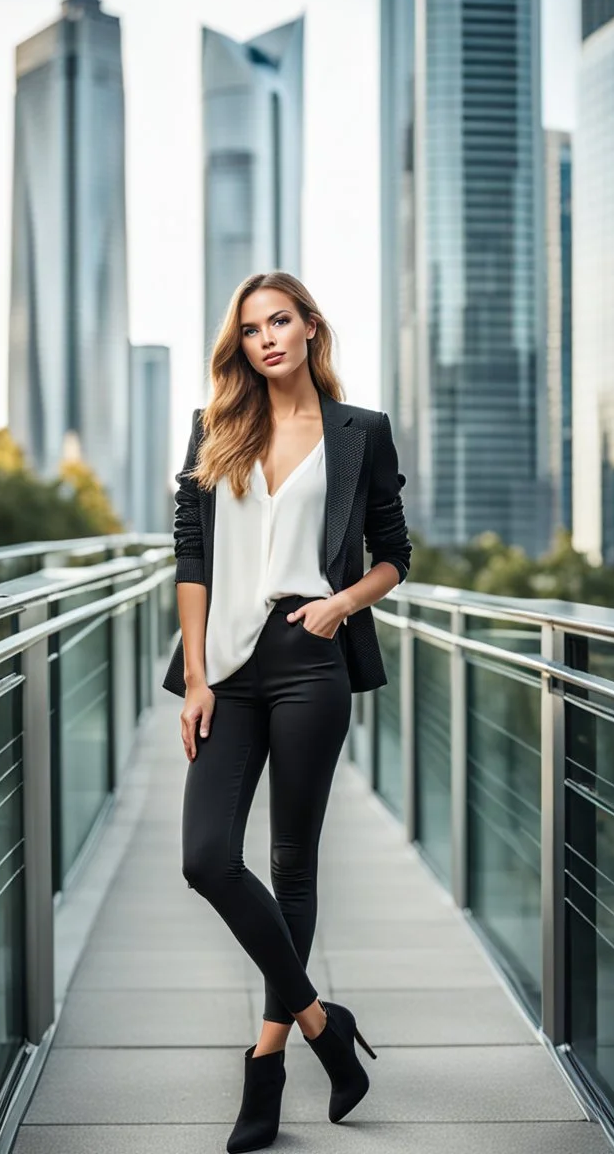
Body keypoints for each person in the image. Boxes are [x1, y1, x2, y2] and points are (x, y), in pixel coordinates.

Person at [161, 270, 412, 1152]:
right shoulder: (214, 428)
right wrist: (195, 677)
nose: (267, 338)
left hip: (312, 658)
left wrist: (343, 605)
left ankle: (263, 1069)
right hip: (227, 670)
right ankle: (322, 1026)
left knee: (290, 862)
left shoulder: (359, 434)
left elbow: (393, 554)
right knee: (206, 859)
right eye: (251, 328)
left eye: (280, 321)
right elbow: (190, 559)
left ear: (310, 327)